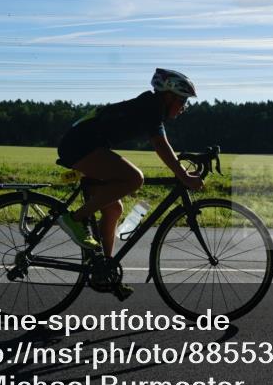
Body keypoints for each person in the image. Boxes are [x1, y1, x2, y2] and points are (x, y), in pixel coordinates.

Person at [53, 69, 203, 296]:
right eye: (182, 101)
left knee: (114, 208)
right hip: (81, 145)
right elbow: (161, 146)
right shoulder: (152, 107)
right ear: (169, 96)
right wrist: (183, 176)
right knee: (134, 178)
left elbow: (164, 145)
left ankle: (104, 271)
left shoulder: (151, 106)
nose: (184, 107)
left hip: (84, 143)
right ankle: (75, 219)